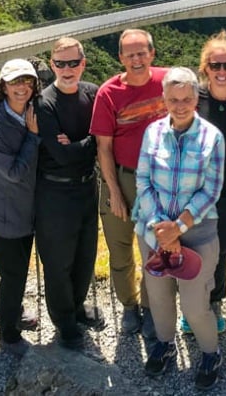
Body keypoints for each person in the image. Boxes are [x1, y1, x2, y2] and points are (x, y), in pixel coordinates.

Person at [133, 67, 225, 391]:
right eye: (174, 99)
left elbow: (212, 190)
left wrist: (180, 226)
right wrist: (162, 227)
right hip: (153, 231)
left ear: (196, 98)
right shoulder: (152, 133)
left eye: (187, 98)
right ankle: (165, 344)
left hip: (197, 233)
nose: (181, 105)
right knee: (158, 297)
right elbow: (142, 180)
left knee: (194, 304)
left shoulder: (213, 137)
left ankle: (211, 353)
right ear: (164, 100)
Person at [90, 29, 168, 338]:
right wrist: (114, 192)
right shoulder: (108, 93)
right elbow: (103, 148)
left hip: (159, 180)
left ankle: (151, 308)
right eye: (129, 54)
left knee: (154, 248)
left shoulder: (168, 82)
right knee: (120, 249)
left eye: (141, 53)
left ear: (152, 53)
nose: (136, 60)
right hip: (122, 177)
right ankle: (129, 306)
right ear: (120, 58)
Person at [178, 31, 226, 334]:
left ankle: (214, 302)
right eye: (215, 66)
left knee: (220, 250)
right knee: (193, 248)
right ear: (205, 68)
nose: (222, 72)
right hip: (194, 191)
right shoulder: (195, 97)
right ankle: (190, 308)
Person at [35, 37, 100, 350]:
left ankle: (76, 308)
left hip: (88, 187)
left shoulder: (92, 93)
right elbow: (61, 155)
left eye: (73, 62)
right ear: (52, 65)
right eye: (60, 63)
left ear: (83, 63)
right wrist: (91, 141)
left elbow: (100, 139)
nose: (67, 69)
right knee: (59, 262)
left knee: (85, 256)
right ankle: (64, 322)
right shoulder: (44, 102)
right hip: (55, 192)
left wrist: (79, 145)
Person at [0, 59, 40, 357]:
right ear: (3, 86)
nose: (22, 87)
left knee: (16, 272)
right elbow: (13, 173)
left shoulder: (28, 111)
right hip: (1, 215)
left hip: (23, 211)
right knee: (13, 275)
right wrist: (33, 136)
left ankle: (13, 313)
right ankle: (8, 334)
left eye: (27, 81)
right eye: (15, 82)